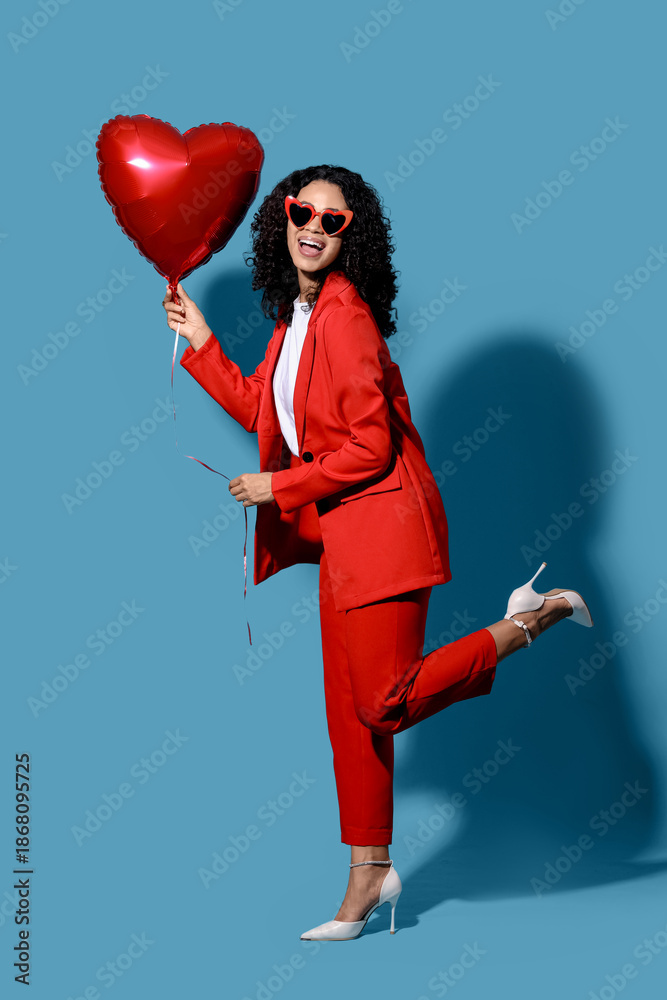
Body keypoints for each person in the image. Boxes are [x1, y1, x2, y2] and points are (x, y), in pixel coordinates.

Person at [163, 164, 593, 941]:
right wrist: (200, 342)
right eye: (301, 211)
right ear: (281, 219)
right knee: (349, 720)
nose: (313, 228)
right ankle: (368, 875)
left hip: (387, 529)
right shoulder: (297, 317)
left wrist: (278, 487)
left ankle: (531, 619)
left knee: (382, 702)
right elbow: (264, 409)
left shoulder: (346, 318)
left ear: (350, 239)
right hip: (343, 536)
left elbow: (370, 447)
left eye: (333, 221)